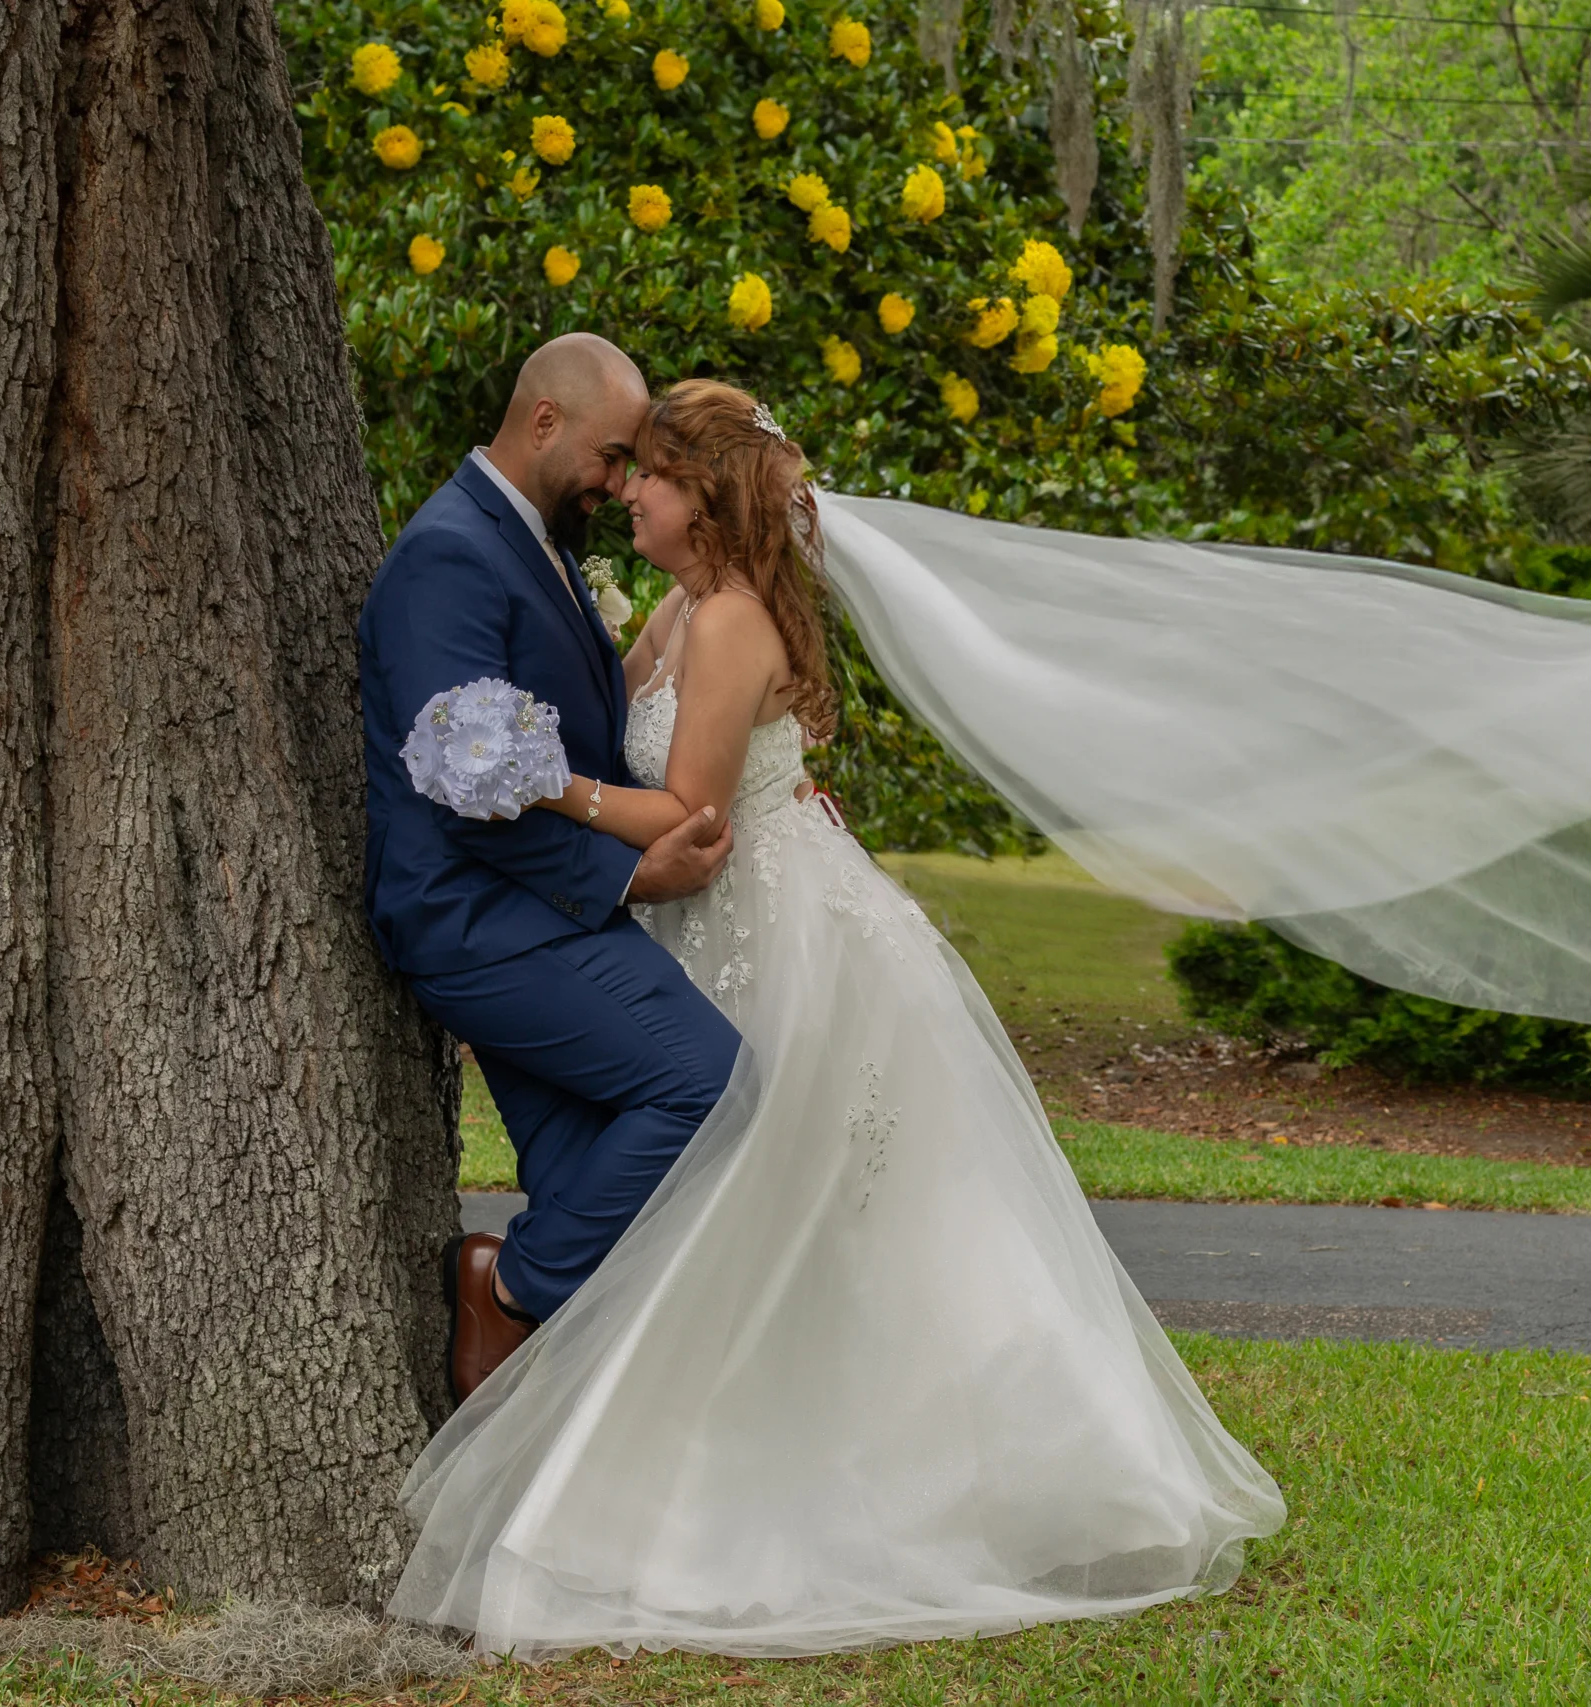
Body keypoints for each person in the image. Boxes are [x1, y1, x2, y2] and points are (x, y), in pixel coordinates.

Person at [386, 381, 1287, 1657]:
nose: (627, 491)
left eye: (648, 473)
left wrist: (541, 786)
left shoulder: (731, 621)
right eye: (626, 467)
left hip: (774, 923)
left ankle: (866, 1477)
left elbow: (694, 812)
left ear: (704, 496)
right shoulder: (684, 607)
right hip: (714, 917)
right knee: (735, 1194)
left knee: (786, 1191)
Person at [357, 335, 742, 1403]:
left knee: (596, 1191)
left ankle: (548, 1439)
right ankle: (508, 1287)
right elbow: (459, 776)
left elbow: (565, 745)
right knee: (707, 1083)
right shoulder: (451, 554)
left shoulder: (536, 545)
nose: (620, 483)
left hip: (534, 910)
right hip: (476, 918)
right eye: (614, 456)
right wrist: (629, 877)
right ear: (543, 423)